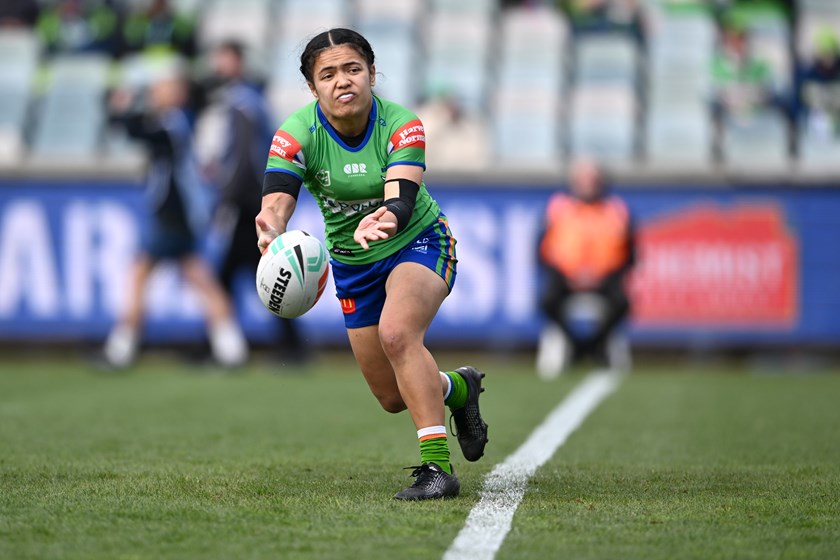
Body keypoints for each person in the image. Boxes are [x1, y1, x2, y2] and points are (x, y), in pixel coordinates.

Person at [255, 28, 488, 500]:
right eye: (329, 74)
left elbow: (402, 196)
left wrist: (388, 214)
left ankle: (437, 470)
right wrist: (270, 230)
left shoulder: (402, 123)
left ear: (372, 74)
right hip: (353, 264)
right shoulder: (296, 134)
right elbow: (277, 200)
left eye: (353, 69)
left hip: (417, 242)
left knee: (398, 334)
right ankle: (459, 391)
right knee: (391, 397)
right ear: (312, 87)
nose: (343, 81)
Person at [102, 68, 247, 370]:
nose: (155, 93)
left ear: (178, 94)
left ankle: (121, 348)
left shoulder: (172, 124)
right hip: (178, 216)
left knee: (141, 274)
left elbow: (136, 131)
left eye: (162, 88)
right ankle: (231, 346)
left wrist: (120, 109)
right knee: (199, 278)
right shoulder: (177, 122)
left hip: (172, 216)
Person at [203, 39, 308, 364]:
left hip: (247, 204)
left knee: (232, 277)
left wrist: (227, 197)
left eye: (223, 58)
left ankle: (226, 347)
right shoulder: (252, 99)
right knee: (245, 274)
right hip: (253, 200)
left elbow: (243, 159)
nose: (218, 66)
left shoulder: (242, 102)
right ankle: (285, 346)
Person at [537, 158, 634, 378]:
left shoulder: (616, 211)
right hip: (567, 279)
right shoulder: (559, 210)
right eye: (582, 180)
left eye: (592, 180)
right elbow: (543, 252)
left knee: (621, 302)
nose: (588, 185)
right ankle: (578, 346)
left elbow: (630, 254)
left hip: (604, 279)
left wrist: (601, 275)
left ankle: (595, 346)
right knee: (548, 300)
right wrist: (569, 275)